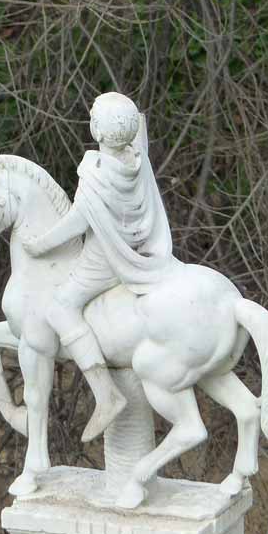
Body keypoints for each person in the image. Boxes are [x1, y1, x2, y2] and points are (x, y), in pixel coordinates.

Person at [23, 92, 173, 442]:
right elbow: (138, 130)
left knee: (60, 306)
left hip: (105, 259)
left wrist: (39, 244)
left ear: (98, 132)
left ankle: (105, 394)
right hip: (139, 244)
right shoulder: (137, 159)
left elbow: (77, 222)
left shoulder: (98, 174)